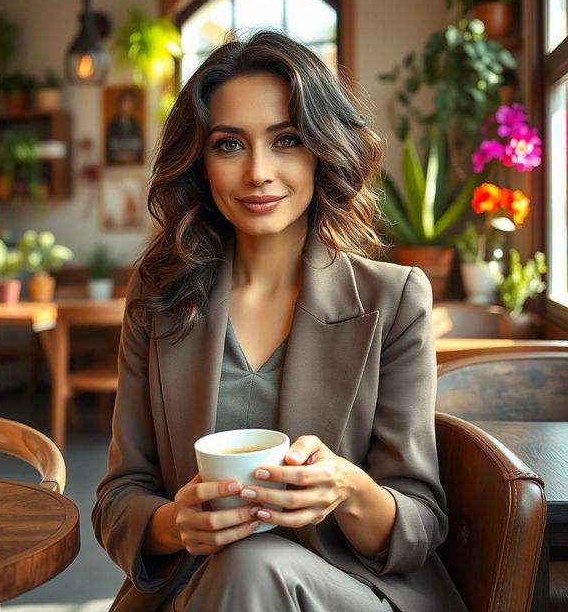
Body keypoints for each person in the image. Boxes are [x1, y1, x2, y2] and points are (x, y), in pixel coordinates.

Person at [92, 30, 467, 612]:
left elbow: (419, 521)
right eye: (229, 145)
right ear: (200, 163)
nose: (259, 172)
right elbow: (119, 498)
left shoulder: (394, 300)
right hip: (195, 592)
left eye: (286, 140)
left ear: (323, 149)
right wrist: (174, 524)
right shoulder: (158, 298)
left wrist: (345, 488)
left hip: (351, 591)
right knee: (236, 567)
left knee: (251, 564)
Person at [106, 88, 144, 165]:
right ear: (120, 103)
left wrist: (132, 156)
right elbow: (110, 148)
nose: (128, 105)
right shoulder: (113, 124)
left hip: (133, 165)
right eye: (126, 101)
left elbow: (139, 147)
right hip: (116, 166)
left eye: (131, 102)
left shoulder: (136, 124)